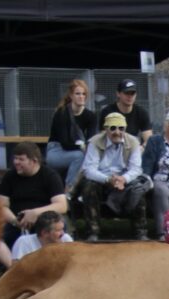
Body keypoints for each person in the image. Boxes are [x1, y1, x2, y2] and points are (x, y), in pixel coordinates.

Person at [78, 112, 148, 242]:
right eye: (113, 128)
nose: (117, 132)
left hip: (124, 178)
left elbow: (136, 169)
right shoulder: (95, 142)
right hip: (101, 178)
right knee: (89, 187)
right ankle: (93, 231)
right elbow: (89, 170)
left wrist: (124, 179)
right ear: (106, 129)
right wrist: (108, 179)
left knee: (139, 189)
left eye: (121, 128)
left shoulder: (133, 142)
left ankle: (140, 231)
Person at [0, 142, 68, 266]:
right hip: (16, 222)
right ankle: (14, 269)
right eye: (15, 158)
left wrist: (35, 213)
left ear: (34, 161)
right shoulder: (9, 177)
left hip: (45, 222)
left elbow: (62, 205)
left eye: (21, 159)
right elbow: (1, 206)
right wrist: (15, 221)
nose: (16, 162)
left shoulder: (50, 176)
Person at [46, 79, 96, 190]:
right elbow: (65, 143)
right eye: (77, 94)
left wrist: (86, 147)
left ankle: (83, 194)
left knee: (90, 158)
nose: (81, 96)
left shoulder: (90, 116)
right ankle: (68, 190)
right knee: (80, 157)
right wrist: (82, 147)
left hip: (77, 149)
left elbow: (91, 139)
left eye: (84, 94)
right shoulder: (61, 113)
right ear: (71, 95)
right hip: (56, 150)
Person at [99, 79, 152, 144]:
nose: (130, 96)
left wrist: (140, 148)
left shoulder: (142, 113)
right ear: (118, 94)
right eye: (126, 93)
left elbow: (148, 139)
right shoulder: (107, 112)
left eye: (132, 93)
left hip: (133, 147)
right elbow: (102, 137)